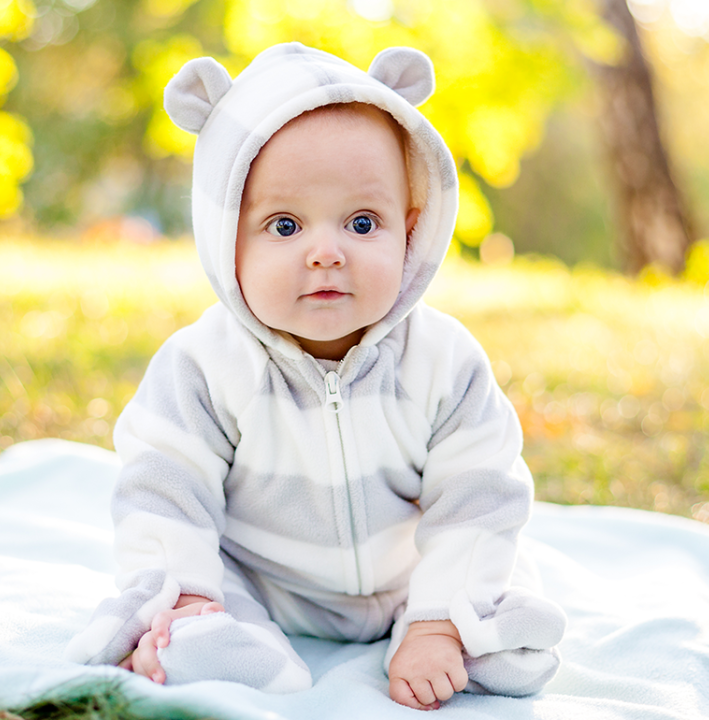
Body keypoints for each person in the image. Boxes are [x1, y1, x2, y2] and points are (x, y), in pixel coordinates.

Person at [65, 42, 566, 711]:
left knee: (493, 579)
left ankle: (450, 633)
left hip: (409, 574)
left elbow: (478, 493)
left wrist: (438, 619)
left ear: (410, 229)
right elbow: (165, 490)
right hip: (266, 579)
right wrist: (182, 587)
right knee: (195, 594)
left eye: (363, 223)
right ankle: (214, 640)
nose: (327, 253)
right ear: (227, 240)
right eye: (285, 225)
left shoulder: (444, 362)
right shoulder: (203, 367)